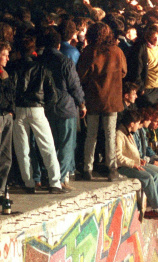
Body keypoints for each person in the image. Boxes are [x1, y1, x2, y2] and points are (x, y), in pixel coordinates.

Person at [12, 35, 68, 194]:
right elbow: (52, 94)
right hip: (37, 108)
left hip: (19, 109)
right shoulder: (42, 68)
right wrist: (45, 107)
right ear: (33, 50)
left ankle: (29, 183)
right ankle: (55, 183)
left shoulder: (14, 67)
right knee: (47, 146)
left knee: (22, 148)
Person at [77, 22, 127, 182]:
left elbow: (81, 74)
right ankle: (112, 169)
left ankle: (87, 168)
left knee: (91, 135)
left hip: (93, 98)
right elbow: (124, 72)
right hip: (112, 99)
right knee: (110, 135)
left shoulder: (89, 51)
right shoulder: (117, 52)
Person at [39, 28, 86, 191]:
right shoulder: (65, 61)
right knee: (66, 144)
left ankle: (48, 176)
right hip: (65, 107)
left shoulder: (40, 61)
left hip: (46, 108)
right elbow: (74, 85)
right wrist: (81, 103)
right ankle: (59, 179)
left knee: (49, 145)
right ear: (59, 44)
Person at [116, 109, 158, 220]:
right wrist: (133, 163)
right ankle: (154, 209)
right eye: (137, 123)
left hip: (134, 163)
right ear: (132, 124)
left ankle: (154, 207)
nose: (138, 126)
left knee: (156, 176)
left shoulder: (128, 133)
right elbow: (118, 157)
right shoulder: (119, 134)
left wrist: (139, 160)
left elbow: (133, 152)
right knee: (147, 177)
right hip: (124, 167)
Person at [0, 41, 14, 198]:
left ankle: (2, 189)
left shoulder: (5, 74)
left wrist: (11, 111)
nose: (7, 58)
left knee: (6, 156)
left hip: (6, 116)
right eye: (4, 55)